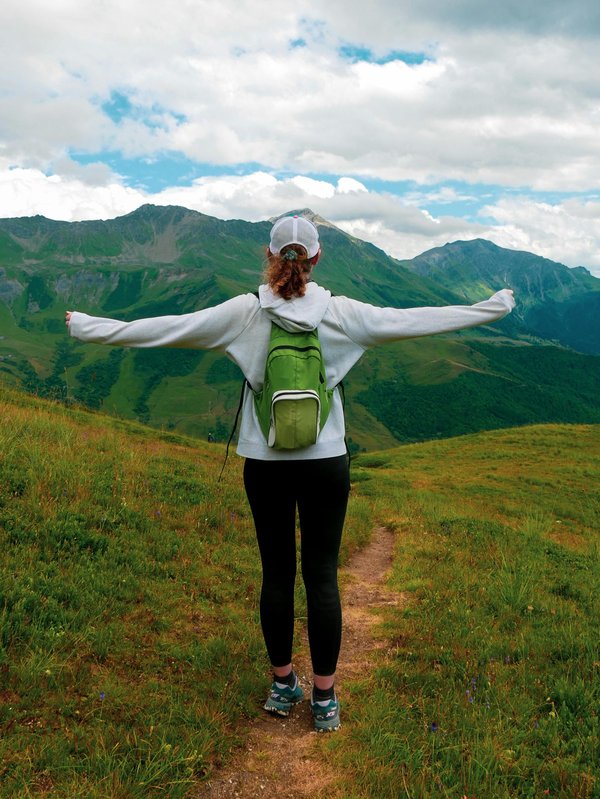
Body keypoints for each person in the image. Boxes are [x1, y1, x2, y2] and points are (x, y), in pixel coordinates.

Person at [66, 214, 515, 732]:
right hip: (327, 462)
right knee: (322, 577)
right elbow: (415, 319)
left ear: (271, 255)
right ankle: (324, 699)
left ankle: (283, 686)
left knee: (276, 575)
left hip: (265, 464)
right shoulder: (342, 314)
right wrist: (493, 307)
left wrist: (88, 326)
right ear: (317, 257)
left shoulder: (244, 313)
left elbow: (167, 329)